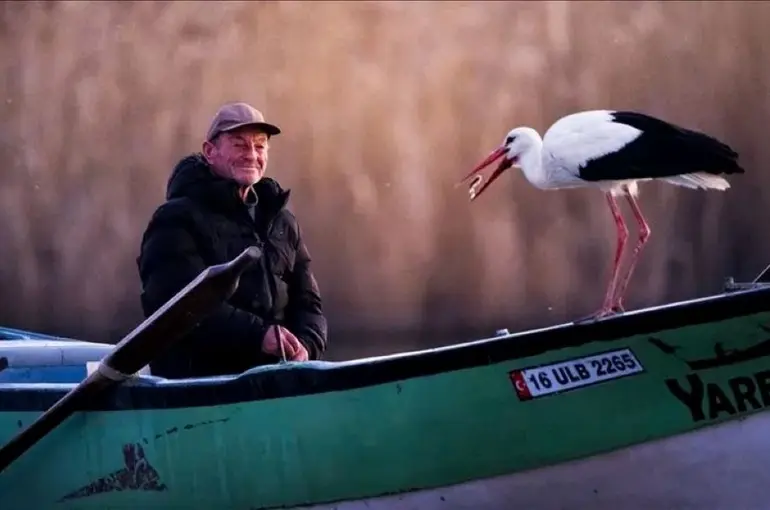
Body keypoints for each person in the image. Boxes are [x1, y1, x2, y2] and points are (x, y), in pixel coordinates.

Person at [136, 102, 328, 379]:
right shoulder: (175, 219)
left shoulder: (282, 222)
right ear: (210, 152)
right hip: (198, 390)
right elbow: (176, 306)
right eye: (239, 145)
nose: (251, 155)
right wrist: (259, 336)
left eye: (260, 146)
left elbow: (309, 303)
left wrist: (306, 348)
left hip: (277, 383)